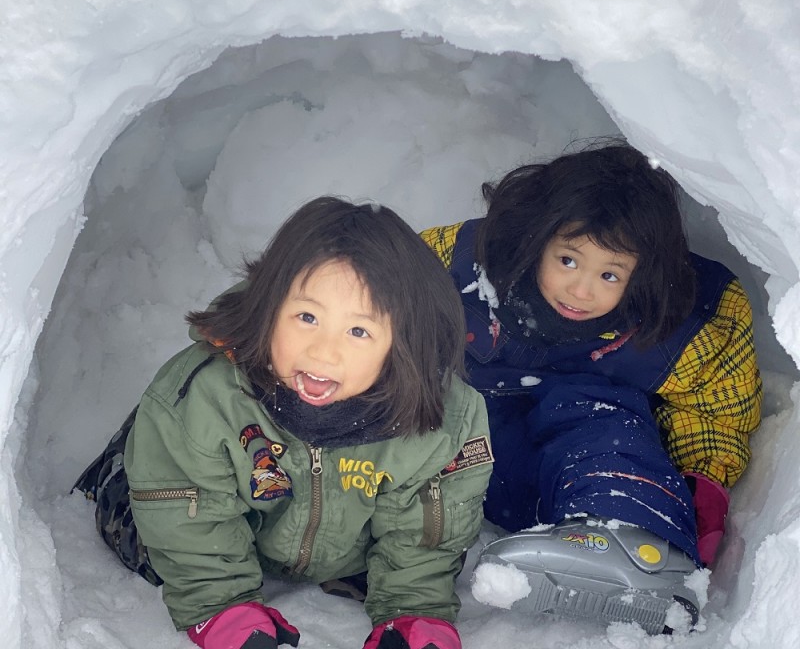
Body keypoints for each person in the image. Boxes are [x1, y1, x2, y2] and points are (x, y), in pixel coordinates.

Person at [73, 196, 493, 649]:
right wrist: (221, 606)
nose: (323, 351)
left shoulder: (444, 418)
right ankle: (124, 453)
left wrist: (414, 610)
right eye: (307, 317)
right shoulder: (203, 396)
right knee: (141, 531)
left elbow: (427, 532)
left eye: (358, 331)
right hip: (189, 504)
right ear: (270, 307)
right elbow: (183, 515)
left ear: (403, 343)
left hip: (338, 541)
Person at [420, 141, 762, 632]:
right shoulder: (466, 266)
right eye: (568, 261)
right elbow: (376, 302)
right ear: (537, 238)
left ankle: (628, 542)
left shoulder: (675, 318)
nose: (582, 290)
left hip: (580, 461)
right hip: (470, 443)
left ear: (642, 274)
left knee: (608, 431)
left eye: (609, 273)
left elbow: (713, 404)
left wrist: (699, 484)